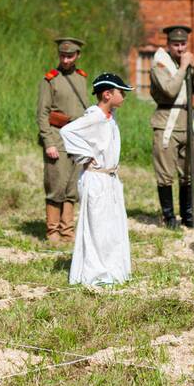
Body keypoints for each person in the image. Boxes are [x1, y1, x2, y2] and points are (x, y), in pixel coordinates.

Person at [61, 73, 133, 286]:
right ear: (107, 94)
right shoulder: (94, 116)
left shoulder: (110, 118)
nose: (124, 97)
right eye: (121, 92)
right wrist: (86, 156)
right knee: (97, 226)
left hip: (109, 178)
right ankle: (96, 273)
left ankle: (111, 269)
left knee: (111, 226)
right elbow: (67, 131)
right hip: (96, 178)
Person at [149, 24, 194, 229]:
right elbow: (169, 90)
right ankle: (168, 217)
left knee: (190, 172)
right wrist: (183, 68)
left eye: (183, 44)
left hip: (187, 123)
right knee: (165, 174)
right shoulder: (160, 64)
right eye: (176, 45)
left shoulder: (185, 62)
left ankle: (189, 215)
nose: (181, 48)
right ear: (168, 45)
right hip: (167, 122)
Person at [35, 36, 89, 244]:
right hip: (57, 138)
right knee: (55, 184)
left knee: (72, 186)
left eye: (70, 56)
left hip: (78, 140)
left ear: (77, 56)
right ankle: (52, 231)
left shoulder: (82, 78)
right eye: (62, 56)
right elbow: (42, 114)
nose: (66, 60)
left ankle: (68, 230)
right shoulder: (50, 80)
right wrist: (48, 142)